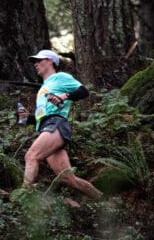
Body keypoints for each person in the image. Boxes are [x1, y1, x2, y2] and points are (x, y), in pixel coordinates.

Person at [23, 49, 102, 201]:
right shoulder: (42, 89)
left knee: (31, 156)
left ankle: (23, 197)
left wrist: (64, 96)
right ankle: (104, 200)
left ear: (51, 61)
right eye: (35, 62)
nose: (36, 64)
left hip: (56, 124)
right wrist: (27, 119)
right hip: (47, 126)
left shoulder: (60, 77)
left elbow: (84, 92)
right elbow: (41, 117)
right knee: (68, 179)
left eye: (40, 60)